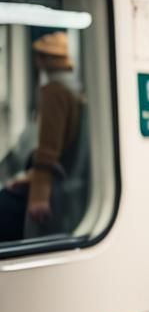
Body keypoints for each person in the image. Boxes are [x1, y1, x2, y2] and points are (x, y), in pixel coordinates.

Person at [0, 31, 85, 241]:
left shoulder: (53, 92)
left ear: (45, 59)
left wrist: (38, 194)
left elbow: (48, 150)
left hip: (49, 189)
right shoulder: (73, 90)